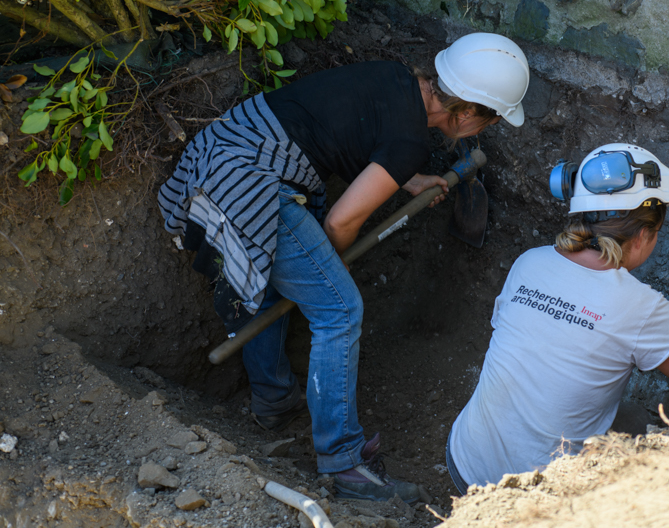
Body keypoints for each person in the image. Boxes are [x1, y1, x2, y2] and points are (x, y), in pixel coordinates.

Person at [158, 32, 531, 502]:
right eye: (491, 121)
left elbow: (354, 132)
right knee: (340, 310)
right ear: (470, 111)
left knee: (266, 274)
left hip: (220, 156)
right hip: (252, 183)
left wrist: (406, 179)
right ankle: (345, 463)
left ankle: (273, 401)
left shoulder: (393, 78)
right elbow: (342, 220)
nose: (483, 131)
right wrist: (333, 272)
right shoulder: (408, 141)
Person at [445, 143, 669, 492]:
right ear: (642, 236)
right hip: (527, 495)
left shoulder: (529, 262)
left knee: (625, 416)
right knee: (640, 431)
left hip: (463, 459)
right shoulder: (642, 306)